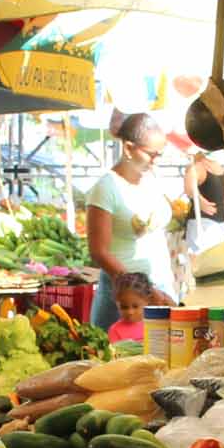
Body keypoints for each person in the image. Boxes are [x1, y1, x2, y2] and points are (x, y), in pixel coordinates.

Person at [85, 113, 177, 332]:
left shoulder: (152, 180)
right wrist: (142, 289)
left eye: (159, 154)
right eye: (151, 154)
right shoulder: (106, 188)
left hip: (159, 287)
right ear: (128, 148)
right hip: (125, 300)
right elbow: (99, 251)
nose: (156, 160)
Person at [108, 272, 155, 344]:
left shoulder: (154, 325)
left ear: (147, 301)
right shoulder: (115, 330)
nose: (130, 312)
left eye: (135, 306)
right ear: (117, 304)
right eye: (124, 307)